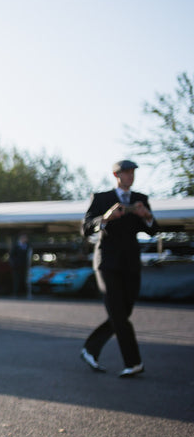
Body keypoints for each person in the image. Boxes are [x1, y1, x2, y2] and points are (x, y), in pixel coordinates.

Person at [80, 159, 159, 377]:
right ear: (116, 175)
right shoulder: (101, 198)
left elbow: (154, 230)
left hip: (131, 264)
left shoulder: (140, 200)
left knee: (123, 313)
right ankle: (133, 362)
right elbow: (86, 228)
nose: (130, 176)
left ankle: (90, 348)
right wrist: (106, 218)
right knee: (117, 312)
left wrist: (147, 216)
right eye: (126, 173)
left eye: (133, 172)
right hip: (107, 263)